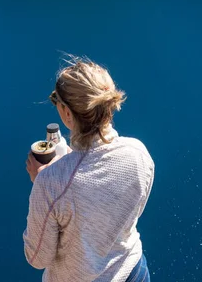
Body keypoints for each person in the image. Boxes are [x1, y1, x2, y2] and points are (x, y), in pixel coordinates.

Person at [24, 57, 154, 282]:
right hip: (134, 272)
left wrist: (43, 180)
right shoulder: (139, 153)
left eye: (56, 101)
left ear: (66, 113)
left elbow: (38, 258)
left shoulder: (50, 183)